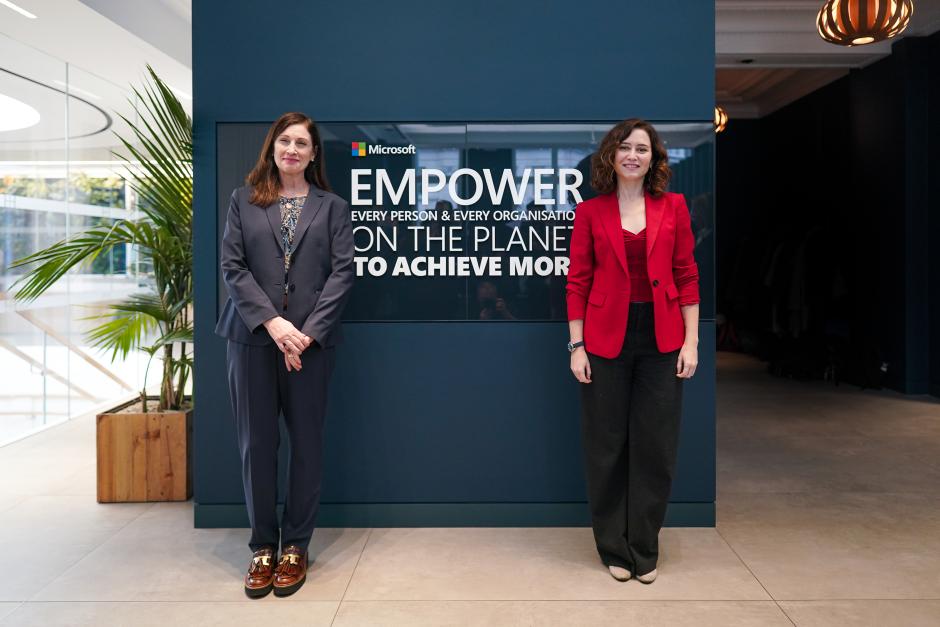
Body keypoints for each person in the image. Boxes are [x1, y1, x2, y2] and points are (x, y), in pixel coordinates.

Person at [215, 112, 354, 598]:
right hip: (252, 338)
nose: (292, 149)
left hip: (310, 348)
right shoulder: (243, 201)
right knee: (257, 445)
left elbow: (342, 274)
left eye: (302, 143)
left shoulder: (332, 207)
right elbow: (232, 268)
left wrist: (306, 335)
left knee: (307, 445)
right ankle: (261, 547)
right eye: (285, 141)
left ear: (314, 154)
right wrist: (275, 325)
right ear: (272, 147)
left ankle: (295, 545)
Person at [565, 118, 700, 584]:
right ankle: (613, 547)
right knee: (606, 447)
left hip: (662, 339)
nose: (633, 155)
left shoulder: (675, 207)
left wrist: (692, 340)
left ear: (653, 158)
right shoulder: (590, 212)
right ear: (611, 155)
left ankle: (644, 546)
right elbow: (577, 282)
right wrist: (576, 345)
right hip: (604, 340)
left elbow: (686, 274)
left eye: (642, 148)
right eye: (625, 147)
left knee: (655, 447)